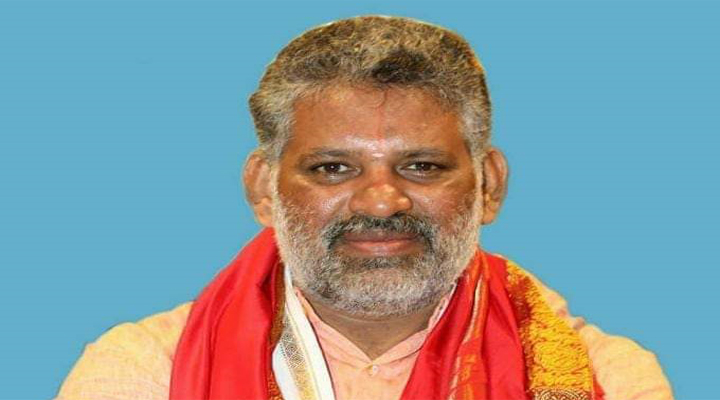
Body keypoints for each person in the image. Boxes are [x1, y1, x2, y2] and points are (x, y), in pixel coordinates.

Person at [56, 15, 673, 400]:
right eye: (333, 168)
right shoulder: (146, 371)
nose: (382, 200)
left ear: (489, 186)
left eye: (422, 166)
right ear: (263, 189)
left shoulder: (607, 377)